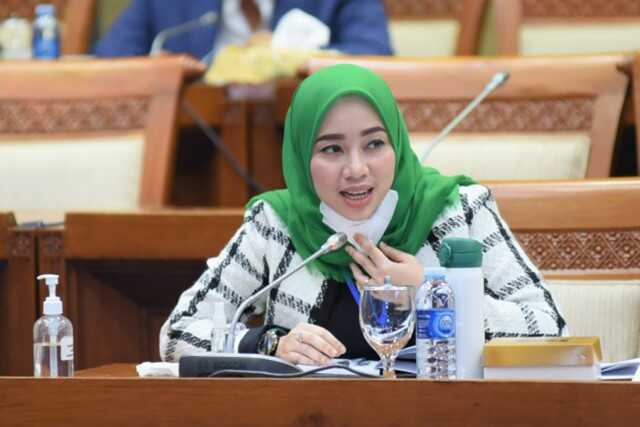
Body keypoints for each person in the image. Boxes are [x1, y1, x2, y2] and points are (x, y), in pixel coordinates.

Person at [159, 64, 566, 365]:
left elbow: (550, 328)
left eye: (374, 144)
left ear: (397, 145)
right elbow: (178, 332)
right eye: (332, 149)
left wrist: (430, 290)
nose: (356, 169)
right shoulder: (276, 225)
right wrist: (268, 344)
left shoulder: (460, 210)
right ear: (302, 158)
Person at [94, 0, 393, 60]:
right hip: (190, 165)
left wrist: (286, 56)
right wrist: (160, 71)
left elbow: (375, 55)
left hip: (311, 157)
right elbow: (108, 65)